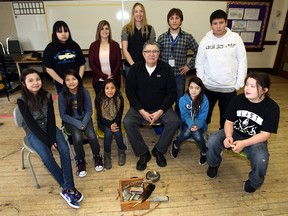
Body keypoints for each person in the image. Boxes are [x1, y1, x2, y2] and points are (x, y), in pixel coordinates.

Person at [17, 69, 83, 209]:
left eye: (37, 79)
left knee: (64, 148)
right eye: (30, 80)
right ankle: (69, 188)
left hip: (50, 129)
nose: (35, 83)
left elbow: (52, 118)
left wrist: (52, 138)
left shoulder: (47, 95)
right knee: (47, 157)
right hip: (34, 132)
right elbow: (31, 125)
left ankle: (68, 189)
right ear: (23, 83)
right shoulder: (21, 100)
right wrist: (48, 142)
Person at [206, 73, 280, 193]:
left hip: (255, 139)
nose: (247, 88)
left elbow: (265, 134)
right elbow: (229, 122)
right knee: (213, 140)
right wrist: (229, 136)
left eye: (253, 86)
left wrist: (244, 143)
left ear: (264, 90)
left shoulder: (272, 108)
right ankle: (213, 164)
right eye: (246, 85)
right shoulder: (237, 99)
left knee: (262, 159)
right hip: (234, 132)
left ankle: (254, 182)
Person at [123, 41, 180, 171]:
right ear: (143, 54)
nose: (151, 54)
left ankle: (159, 150)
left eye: (155, 51)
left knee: (175, 121)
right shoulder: (135, 69)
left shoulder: (166, 69)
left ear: (159, 54)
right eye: (148, 51)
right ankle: (143, 153)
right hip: (140, 109)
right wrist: (141, 111)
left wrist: (160, 111)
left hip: (161, 108)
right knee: (127, 121)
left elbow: (172, 93)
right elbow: (130, 92)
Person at [196, 9, 247, 129]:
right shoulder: (205, 41)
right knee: (205, 115)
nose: (218, 26)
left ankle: (224, 140)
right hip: (209, 87)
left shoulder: (235, 39)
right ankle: (202, 135)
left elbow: (242, 61)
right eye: (215, 23)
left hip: (229, 88)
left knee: (227, 118)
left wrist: (238, 84)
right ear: (211, 24)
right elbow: (199, 63)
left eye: (221, 22)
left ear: (226, 23)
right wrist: (202, 82)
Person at [58, 69, 103, 177]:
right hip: (70, 121)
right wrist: (78, 124)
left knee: (92, 136)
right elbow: (63, 115)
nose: (71, 82)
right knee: (77, 137)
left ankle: (97, 155)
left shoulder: (85, 92)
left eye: (74, 78)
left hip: (85, 119)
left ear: (78, 79)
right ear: (64, 82)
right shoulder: (62, 95)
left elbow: (89, 111)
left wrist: (83, 122)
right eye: (68, 80)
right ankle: (80, 160)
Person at [158, 8, 198, 115]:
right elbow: (156, 55)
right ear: (168, 21)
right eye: (172, 18)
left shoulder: (187, 37)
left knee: (179, 100)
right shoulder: (162, 38)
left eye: (177, 18)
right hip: (165, 75)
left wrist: (189, 66)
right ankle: (168, 122)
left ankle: (179, 123)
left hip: (179, 76)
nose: (174, 21)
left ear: (181, 21)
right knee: (165, 99)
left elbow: (199, 51)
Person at [171, 76, 209, 165]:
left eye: (197, 88)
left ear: (201, 89)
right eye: (191, 87)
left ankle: (176, 144)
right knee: (189, 131)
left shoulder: (205, 100)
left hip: (200, 123)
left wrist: (197, 125)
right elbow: (184, 115)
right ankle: (204, 152)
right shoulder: (183, 100)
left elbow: (202, 118)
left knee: (194, 132)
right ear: (188, 87)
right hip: (186, 122)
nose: (194, 90)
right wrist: (191, 124)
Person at [43, 20, 86, 93]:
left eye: (66, 31)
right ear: (55, 33)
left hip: (77, 84)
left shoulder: (74, 45)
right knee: (64, 103)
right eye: (60, 32)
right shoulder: (50, 48)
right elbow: (48, 69)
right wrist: (63, 82)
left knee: (79, 102)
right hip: (61, 84)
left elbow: (82, 64)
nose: (63, 34)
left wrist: (78, 79)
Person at [95, 79, 126, 169]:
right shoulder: (99, 99)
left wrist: (114, 123)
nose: (110, 90)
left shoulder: (119, 98)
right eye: (107, 88)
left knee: (116, 131)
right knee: (108, 131)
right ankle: (107, 156)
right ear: (103, 89)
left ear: (116, 89)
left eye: (112, 88)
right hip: (103, 122)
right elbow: (100, 117)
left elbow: (119, 114)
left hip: (116, 121)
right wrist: (110, 125)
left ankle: (121, 152)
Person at [121, 2, 156, 76]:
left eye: (141, 11)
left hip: (146, 67)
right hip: (130, 67)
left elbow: (152, 50)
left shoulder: (150, 29)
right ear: (133, 14)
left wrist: (145, 65)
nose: (139, 14)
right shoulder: (126, 29)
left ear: (144, 13)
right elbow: (124, 49)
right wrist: (133, 65)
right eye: (136, 11)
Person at [89, 20, 122, 95]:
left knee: (115, 104)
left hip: (114, 80)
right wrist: (105, 76)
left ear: (109, 30)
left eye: (106, 28)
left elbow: (118, 62)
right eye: (102, 28)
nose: (104, 31)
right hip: (99, 81)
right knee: (100, 104)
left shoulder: (115, 45)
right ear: (99, 31)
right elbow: (92, 64)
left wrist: (111, 77)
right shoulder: (93, 46)